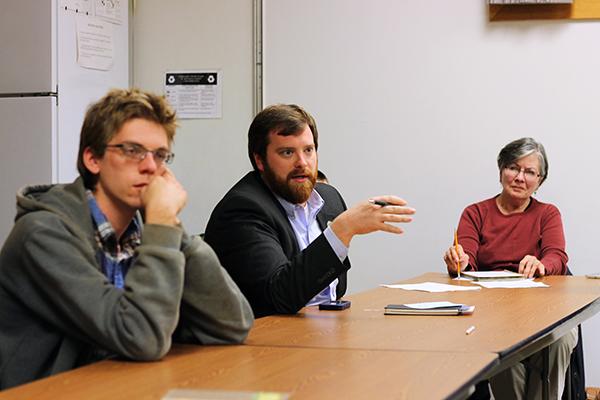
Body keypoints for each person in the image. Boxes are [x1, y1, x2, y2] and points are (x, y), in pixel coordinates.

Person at [0, 88, 253, 389]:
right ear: (93, 159)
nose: (150, 166)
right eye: (132, 150)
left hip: (118, 385)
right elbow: (140, 336)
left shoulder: (143, 229)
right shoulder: (43, 234)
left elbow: (232, 324)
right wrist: (162, 224)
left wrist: (172, 227)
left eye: (160, 155)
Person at [204, 104, 415, 317]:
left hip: (319, 334)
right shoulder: (242, 210)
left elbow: (333, 292)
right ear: (260, 160)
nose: (302, 163)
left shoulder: (328, 199)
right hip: (265, 344)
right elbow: (279, 298)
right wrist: (342, 230)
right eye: (287, 152)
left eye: (308, 150)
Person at [443, 137, 577, 400]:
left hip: (540, 311)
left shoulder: (548, 214)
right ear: (501, 170)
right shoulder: (475, 213)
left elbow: (557, 256)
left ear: (540, 180)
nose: (519, 177)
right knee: (502, 347)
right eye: (513, 168)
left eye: (529, 172)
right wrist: (458, 260)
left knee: (562, 338)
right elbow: (466, 256)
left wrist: (541, 264)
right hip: (493, 312)